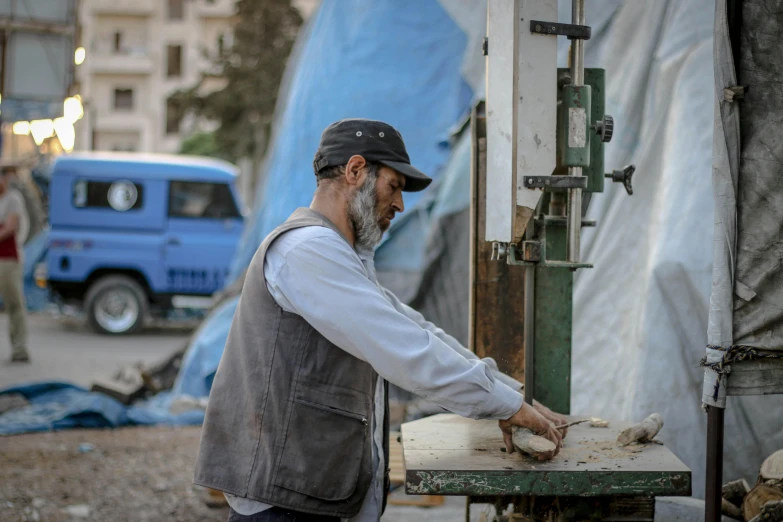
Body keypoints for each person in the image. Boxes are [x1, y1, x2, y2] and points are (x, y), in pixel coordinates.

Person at [195, 119, 567, 522]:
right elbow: (403, 349)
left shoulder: (341, 258)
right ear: (355, 171)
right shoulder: (306, 250)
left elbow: (421, 331)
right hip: (284, 506)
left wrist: (511, 395)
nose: (400, 205)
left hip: (310, 494)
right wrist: (505, 405)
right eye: (394, 186)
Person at [0, 166, 30, 363]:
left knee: (14, 305)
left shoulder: (12, 199)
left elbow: (10, 227)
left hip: (7, 259)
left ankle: (20, 349)